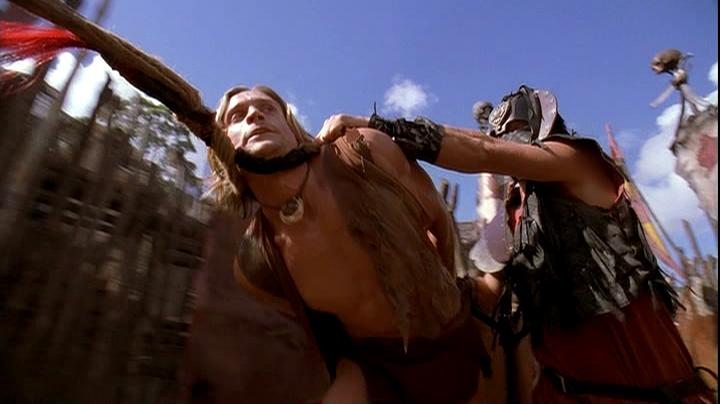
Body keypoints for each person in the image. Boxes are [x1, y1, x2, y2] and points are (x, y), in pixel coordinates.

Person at [318, 85, 715, 403]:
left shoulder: (576, 161)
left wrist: (377, 125)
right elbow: (489, 290)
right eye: (500, 131)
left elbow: (483, 151)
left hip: (647, 388)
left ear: (543, 123)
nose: (505, 137)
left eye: (514, 126)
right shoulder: (513, 212)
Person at [206, 85, 493, 403]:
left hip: (453, 332)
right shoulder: (255, 263)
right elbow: (315, 324)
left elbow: (440, 220)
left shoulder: (360, 156)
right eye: (237, 116)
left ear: (291, 128)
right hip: (377, 365)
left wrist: (446, 293)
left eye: (268, 108)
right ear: (223, 145)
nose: (254, 115)